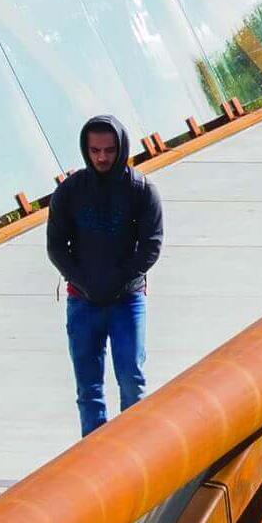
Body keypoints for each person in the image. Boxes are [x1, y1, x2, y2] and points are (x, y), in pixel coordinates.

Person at [46, 116, 163, 437]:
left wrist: (120, 281)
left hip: (127, 301)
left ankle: (136, 454)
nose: (101, 157)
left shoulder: (141, 190)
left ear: (121, 148)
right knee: (89, 388)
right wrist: (84, 282)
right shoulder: (69, 192)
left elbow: (151, 245)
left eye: (109, 150)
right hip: (83, 303)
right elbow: (56, 246)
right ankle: (95, 460)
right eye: (95, 150)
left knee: (132, 382)